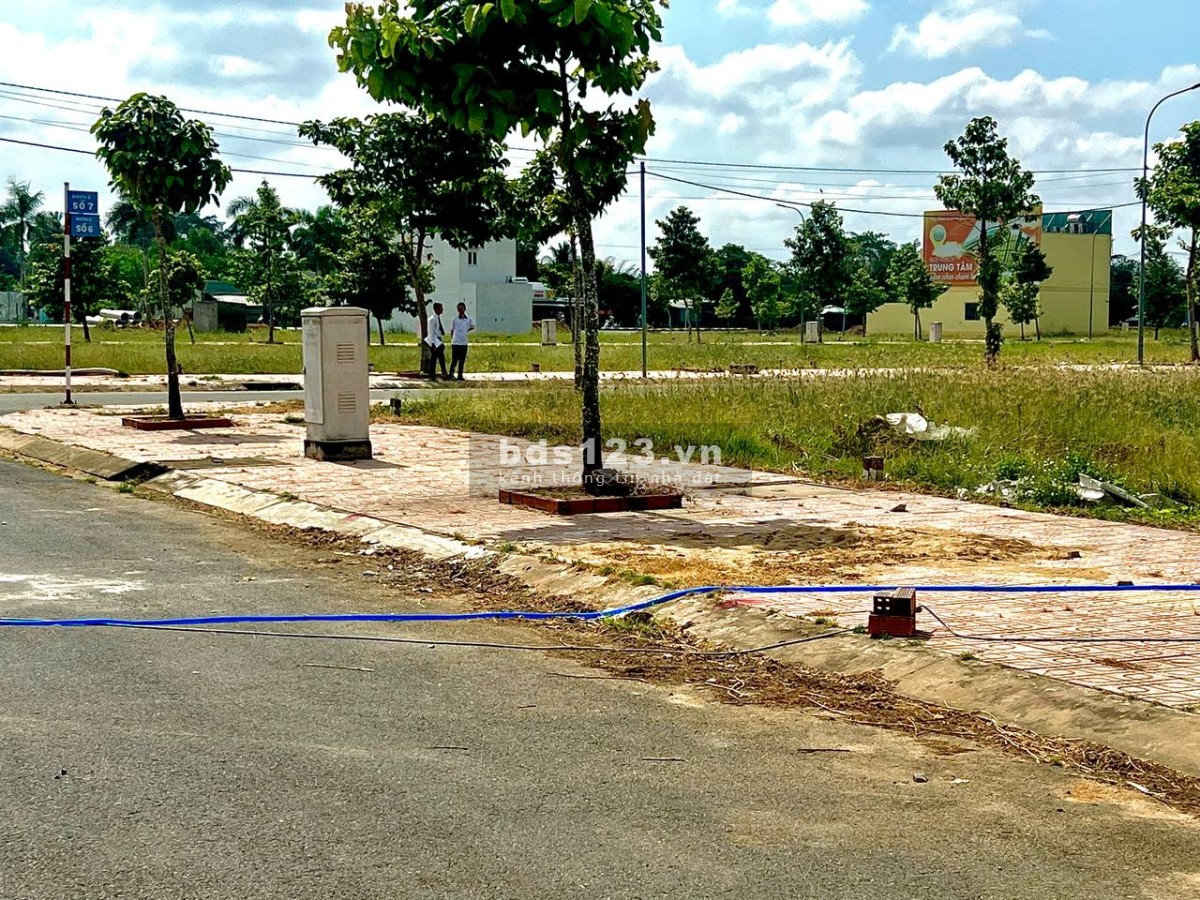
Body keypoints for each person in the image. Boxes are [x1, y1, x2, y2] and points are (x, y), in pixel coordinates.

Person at [448, 301, 475, 381]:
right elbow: (452, 329)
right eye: (459, 309)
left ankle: (460, 375)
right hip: (456, 342)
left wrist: (466, 330)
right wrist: (452, 339)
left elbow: (472, 326)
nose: (460, 310)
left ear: (465, 309)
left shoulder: (468, 319)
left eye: (462, 308)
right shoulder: (455, 319)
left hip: (464, 342)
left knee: (462, 360)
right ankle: (451, 374)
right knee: (454, 359)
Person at [424, 302, 448, 379]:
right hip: (435, 341)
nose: (442, 309)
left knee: (441, 358)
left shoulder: (437, 318)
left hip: (439, 341)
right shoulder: (432, 319)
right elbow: (431, 332)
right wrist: (433, 343)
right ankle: (432, 375)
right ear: (436, 309)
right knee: (434, 359)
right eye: (441, 308)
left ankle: (444, 373)